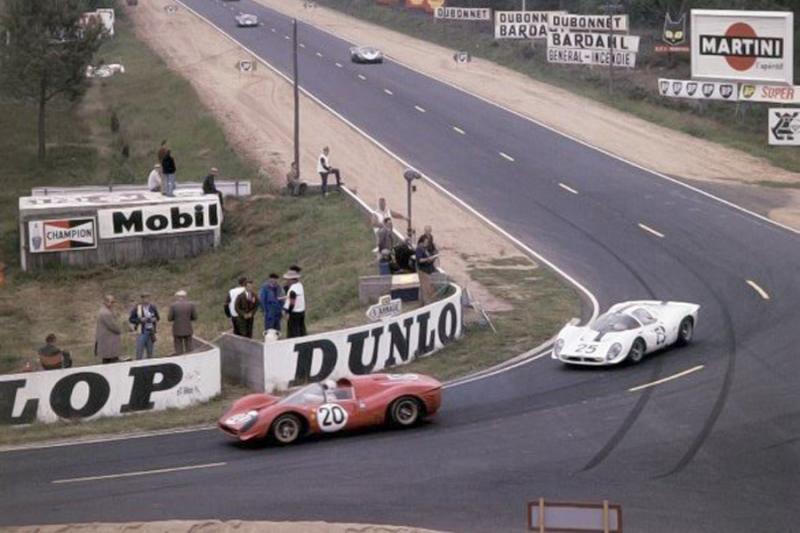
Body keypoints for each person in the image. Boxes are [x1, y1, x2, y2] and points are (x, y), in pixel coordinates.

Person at [129, 292, 160, 360]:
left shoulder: (153, 307)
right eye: (144, 298)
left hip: (151, 331)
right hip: (142, 331)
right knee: (139, 351)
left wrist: (154, 319)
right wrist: (140, 320)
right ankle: (139, 363)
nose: (146, 300)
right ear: (142, 299)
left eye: (147, 298)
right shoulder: (137, 308)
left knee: (150, 352)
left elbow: (158, 317)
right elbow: (131, 319)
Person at [95, 294, 122, 364]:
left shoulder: (106, 311)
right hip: (109, 342)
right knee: (111, 362)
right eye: (112, 302)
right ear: (106, 302)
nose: (113, 304)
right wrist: (120, 330)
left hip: (108, 342)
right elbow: (113, 326)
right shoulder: (105, 313)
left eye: (114, 302)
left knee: (107, 361)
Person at [168, 289, 197, 355]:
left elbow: (169, 318)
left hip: (177, 329)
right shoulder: (191, 305)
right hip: (188, 328)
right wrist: (188, 319)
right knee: (189, 347)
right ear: (185, 297)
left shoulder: (173, 306)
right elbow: (195, 317)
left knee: (178, 348)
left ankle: (180, 358)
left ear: (178, 297)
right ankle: (190, 358)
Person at [283, 267, 306, 338]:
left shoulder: (293, 289)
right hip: (301, 311)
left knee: (293, 332)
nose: (286, 281)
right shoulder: (300, 285)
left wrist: (288, 312)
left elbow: (292, 302)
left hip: (294, 313)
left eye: (287, 279)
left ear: (291, 280)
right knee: (301, 329)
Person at [415, 235, 438, 305]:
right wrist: (427, 259)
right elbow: (419, 260)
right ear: (421, 242)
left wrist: (432, 257)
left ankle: (422, 303)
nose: (427, 244)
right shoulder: (419, 249)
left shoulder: (424, 248)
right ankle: (427, 304)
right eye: (426, 242)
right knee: (426, 288)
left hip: (428, 269)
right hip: (423, 270)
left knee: (423, 287)